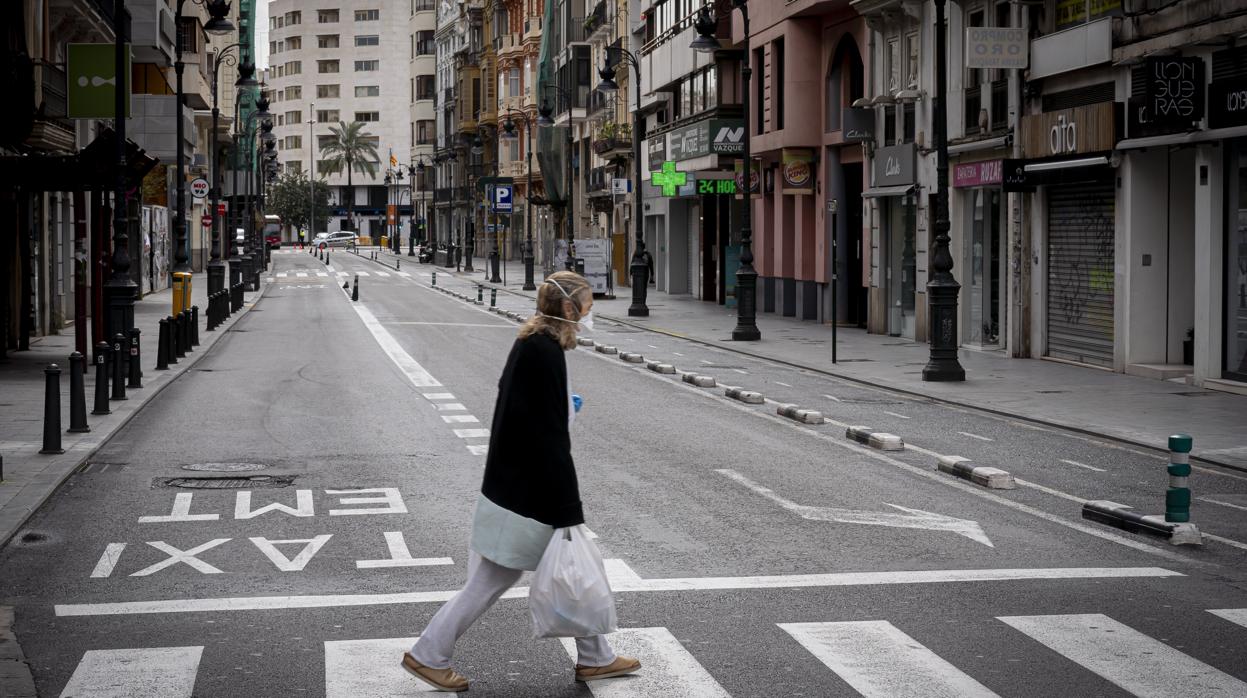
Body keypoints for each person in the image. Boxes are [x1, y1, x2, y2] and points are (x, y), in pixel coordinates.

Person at [402, 271, 640, 693]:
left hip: (515, 486)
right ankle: (428, 654)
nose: (590, 311)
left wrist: (565, 405)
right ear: (568, 309)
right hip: (526, 495)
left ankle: (596, 656)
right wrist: (568, 504)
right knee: (492, 581)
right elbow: (547, 437)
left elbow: (526, 413)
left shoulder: (534, 344)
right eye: (586, 303)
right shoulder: (544, 353)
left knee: (571, 570)